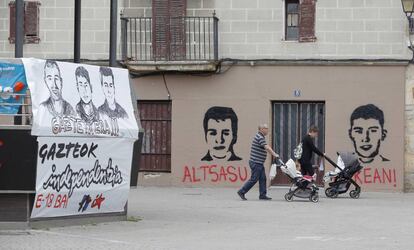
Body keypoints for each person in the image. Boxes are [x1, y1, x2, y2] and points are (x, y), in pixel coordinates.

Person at [237, 124, 279, 200]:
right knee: (254, 179)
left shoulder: (261, 137)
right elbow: (267, 147)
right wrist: (274, 154)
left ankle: (262, 195)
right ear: (261, 129)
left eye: (267, 128)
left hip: (259, 163)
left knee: (263, 178)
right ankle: (242, 191)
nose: (267, 130)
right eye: (266, 128)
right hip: (256, 162)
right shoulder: (259, 137)